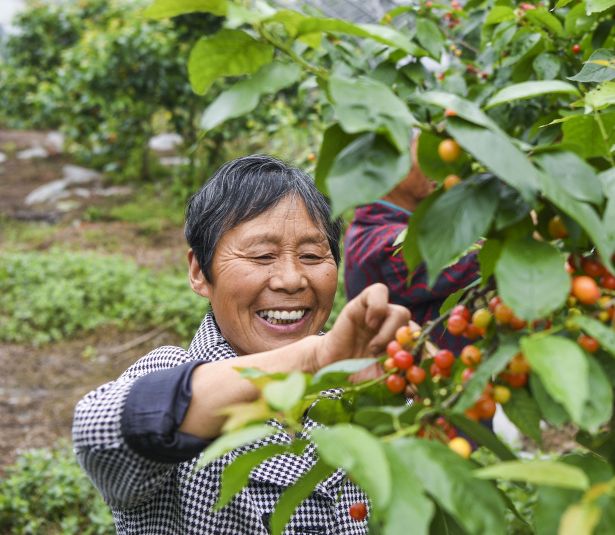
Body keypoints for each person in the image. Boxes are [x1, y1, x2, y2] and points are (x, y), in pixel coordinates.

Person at [73, 154, 410, 534]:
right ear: (200, 272)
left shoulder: (363, 382)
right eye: (262, 255)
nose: (291, 279)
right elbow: (99, 433)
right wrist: (311, 357)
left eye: (312, 255)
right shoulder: (170, 371)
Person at [343, 134, 479, 346]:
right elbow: (476, 261)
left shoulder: (377, 227)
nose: (437, 164)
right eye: (424, 155)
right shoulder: (383, 244)